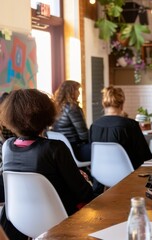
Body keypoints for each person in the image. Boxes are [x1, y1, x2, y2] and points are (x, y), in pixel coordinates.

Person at [0, 89, 95, 239]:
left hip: (21, 221)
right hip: (60, 219)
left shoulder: (7, 147)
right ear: (46, 115)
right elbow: (84, 193)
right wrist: (85, 181)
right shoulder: (54, 148)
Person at [89, 86, 152, 193]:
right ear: (122, 103)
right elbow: (145, 156)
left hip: (100, 176)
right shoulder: (130, 125)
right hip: (128, 176)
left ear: (104, 103)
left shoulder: (94, 125)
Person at [52, 80, 91, 162]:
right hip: (74, 149)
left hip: (60, 149)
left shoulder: (56, 107)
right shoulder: (72, 108)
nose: (79, 93)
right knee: (100, 149)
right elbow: (84, 135)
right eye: (77, 90)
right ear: (71, 92)